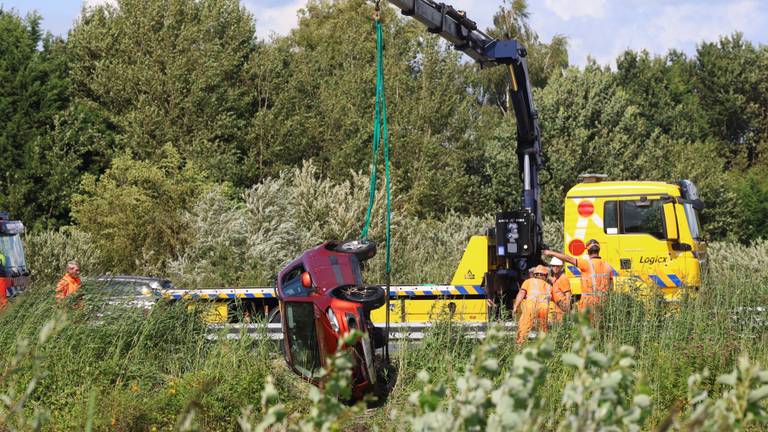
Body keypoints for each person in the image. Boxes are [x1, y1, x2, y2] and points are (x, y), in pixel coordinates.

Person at [543, 239, 613, 323]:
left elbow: (568, 259)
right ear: (598, 250)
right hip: (603, 302)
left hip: (588, 303)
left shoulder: (586, 264)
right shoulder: (608, 266)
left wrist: (551, 253)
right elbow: (611, 287)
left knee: (586, 328)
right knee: (600, 326)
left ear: (588, 251)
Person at [513, 265, 552, 344]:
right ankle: (543, 348)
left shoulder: (528, 281)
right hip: (544, 309)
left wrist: (516, 306)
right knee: (542, 331)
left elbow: (521, 293)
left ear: (534, 274)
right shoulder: (549, 286)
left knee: (523, 330)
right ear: (546, 276)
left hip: (531, 307)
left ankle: (520, 347)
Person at [549, 257, 571, 322]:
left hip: (562, 310)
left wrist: (567, 306)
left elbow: (568, 294)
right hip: (556, 309)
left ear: (561, 267)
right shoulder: (555, 278)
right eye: (553, 266)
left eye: (557, 266)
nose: (555, 267)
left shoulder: (563, 278)